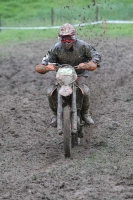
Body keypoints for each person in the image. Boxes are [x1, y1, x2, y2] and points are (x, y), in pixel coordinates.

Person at [36, 23, 101, 127]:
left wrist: (89, 64)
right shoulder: (56, 48)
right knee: (50, 92)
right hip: (62, 74)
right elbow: (47, 59)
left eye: (68, 38)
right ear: (60, 38)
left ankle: (85, 113)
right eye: (63, 38)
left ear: (73, 37)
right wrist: (44, 66)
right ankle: (55, 114)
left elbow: (95, 55)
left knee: (85, 92)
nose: (66, 41)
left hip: (79, 73)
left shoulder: (82, 45)